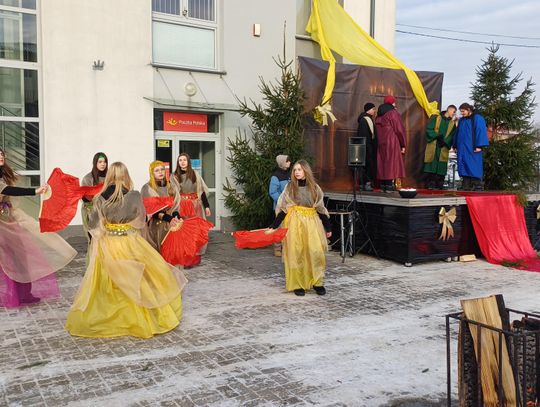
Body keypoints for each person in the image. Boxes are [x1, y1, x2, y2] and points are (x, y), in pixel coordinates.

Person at [65, 162, 186, 338]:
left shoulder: (100, 197)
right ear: (126, 175)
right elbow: (141, 221)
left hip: (108, 243)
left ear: (109, 175)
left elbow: (93, 224)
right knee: (136, 277)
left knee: (109, 279)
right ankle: (137, 316)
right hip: (130, 241)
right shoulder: (134, 195)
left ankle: (110, 314)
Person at [0, 148, 77, 308]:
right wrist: (35, 191)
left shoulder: (4, 173)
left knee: (20, 257)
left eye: (1, 154)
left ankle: (23, 294)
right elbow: (8, 190)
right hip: (2, 224)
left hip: (8, 219)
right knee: (7, 260)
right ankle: (15, 295)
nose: (1, 156)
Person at [269, 160, 332, 297]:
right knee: (297, 253)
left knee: (315, 252)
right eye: (295, 170)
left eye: (299, 169)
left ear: (306, 171)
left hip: (312, 223)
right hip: (295, 223)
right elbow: (284, 208)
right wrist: (275, 225)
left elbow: (320, 208)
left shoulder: (314, 188)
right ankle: (298, 284)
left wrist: (328, 227)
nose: (297, 172)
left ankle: (317, 282)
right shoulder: (290, 187)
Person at [172, 153, 211, 267]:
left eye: (184, 160)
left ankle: (194, 256)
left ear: (188, 161)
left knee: (195, 232)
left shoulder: (195, 174)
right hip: (183, 207)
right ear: (178, 162)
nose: (182, 162)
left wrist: (206, 206)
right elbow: (174, 194)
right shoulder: (174, 176)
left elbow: (201, 191)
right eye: (180, 160)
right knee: (185, 232)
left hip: (196, 206)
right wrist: (175, 210)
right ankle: (185, 257)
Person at [141, 160, 182, 251]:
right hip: (156, 225)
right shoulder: (147, 188)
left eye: (162, 169)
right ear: (152, 173)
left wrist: (176, 216)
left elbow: (176, 204)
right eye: (157, 170)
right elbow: (150, 210)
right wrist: (168, 218)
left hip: (172, 224)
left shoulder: (171, 186)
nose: (160, 172)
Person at [453, 103, 489, 191]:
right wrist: (455, 145)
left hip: (472, 147)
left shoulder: (477, 118)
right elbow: (457, 133)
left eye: (463, 111)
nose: (462, 113)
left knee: (474, 165)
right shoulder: (462, 120)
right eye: (461, 112)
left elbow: (481, 131)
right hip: (462, 147)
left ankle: (478, 185)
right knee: (464, 165)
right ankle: (466, 185)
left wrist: (479, 145)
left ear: (468, 110)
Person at [375, 95, 407, 192]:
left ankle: (383, 185)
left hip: (381, 142)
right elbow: (399, 129)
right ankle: (389, 185)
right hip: (391, 141)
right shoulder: (393, 113)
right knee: (391, 162)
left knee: (382, 162)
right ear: (392, 102)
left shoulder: (379, 115)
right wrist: (403, 144)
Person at [423, 105, 457, 189]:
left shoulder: (452, 124)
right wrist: (437, 136)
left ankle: (439, 183)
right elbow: (429, 129)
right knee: (432, 163)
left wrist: (445, 142)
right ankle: (430, 183)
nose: (454, 114)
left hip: (443, 146)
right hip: (434, 145)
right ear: (449, 110)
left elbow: (452, 135)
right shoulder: (436, 118)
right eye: (453, 112)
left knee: (441, 165)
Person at [81, 153, 108, 241]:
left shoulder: (110, 177)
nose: (103, 164)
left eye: (104, 162)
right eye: (100, 162)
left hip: (106, 212)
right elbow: (84, 198)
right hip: (91, 212)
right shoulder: (88, 178)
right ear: (95, 163)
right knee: (94, 239)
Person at [269, 154, 291, 257]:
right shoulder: (276, 176)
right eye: (287, 161)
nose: (289, 162)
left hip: (291, 206)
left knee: (289, 227)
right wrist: (282, 202)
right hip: (280, 207)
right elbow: (273, 192)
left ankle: (287, 248)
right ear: (282, 163)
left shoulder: (290, 175)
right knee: (279, 227)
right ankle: (277, 248)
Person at [357, 102, 378, 191]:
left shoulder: (366, 119)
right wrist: (369, 148)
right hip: (366, 147)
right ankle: (366, 184)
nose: (374, 111)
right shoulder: (366, 119)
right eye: (373, 109)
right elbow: (365, 135)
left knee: (365, 166)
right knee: (367, 166)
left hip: (365, 147)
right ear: (368, 110)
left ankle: (363, 184)